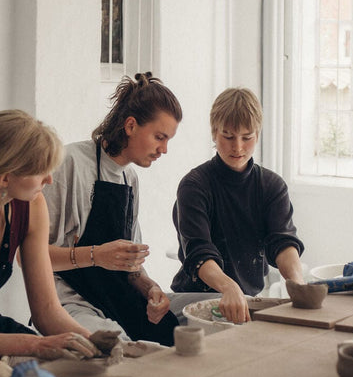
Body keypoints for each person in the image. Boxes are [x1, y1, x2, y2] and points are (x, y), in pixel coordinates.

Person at [0, 109, 101, 377]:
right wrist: (38, 345)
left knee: (82, 366)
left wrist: (94, 342)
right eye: (42, 172)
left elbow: (47, 312)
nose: (50, 181)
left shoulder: (29, 206)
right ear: (6, 178)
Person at [44, 72, 184, 347]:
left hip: (115, 298)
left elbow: (130, 268)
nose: (164, 150)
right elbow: (32, 257)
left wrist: (150, 288)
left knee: (175, 339)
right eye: (159, 137)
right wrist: (96, 255)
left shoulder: (129, 179)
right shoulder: (69, 164)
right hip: (70, 301)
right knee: (123, 353)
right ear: (131, 125)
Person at [171, 86, 305, 324]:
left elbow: (283, 242)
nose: (238, 147)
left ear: (258, 134)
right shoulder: (194, 186)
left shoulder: (272, 186)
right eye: (228, 136)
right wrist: (229, 288)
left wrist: (299, 285)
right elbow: (199, 252)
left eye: (247, 137)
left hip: (247, 298)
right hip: (195, 299)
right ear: (214, 133)